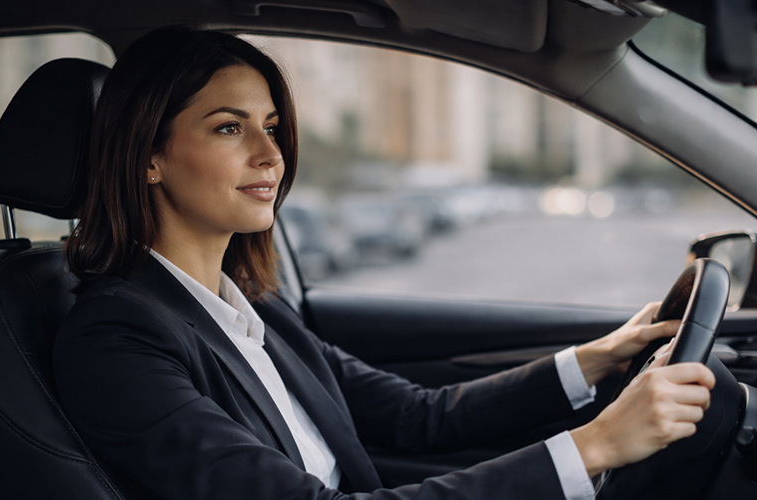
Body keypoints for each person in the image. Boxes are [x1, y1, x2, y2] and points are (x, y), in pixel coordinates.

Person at [53, 25, 716, 500]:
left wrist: (601, 356)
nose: (270, 154)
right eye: (230, 127)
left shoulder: (251, 307)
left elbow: (418, 416)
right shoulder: (118, 341)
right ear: (149, 156)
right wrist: (592, 447)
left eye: (273, 127)